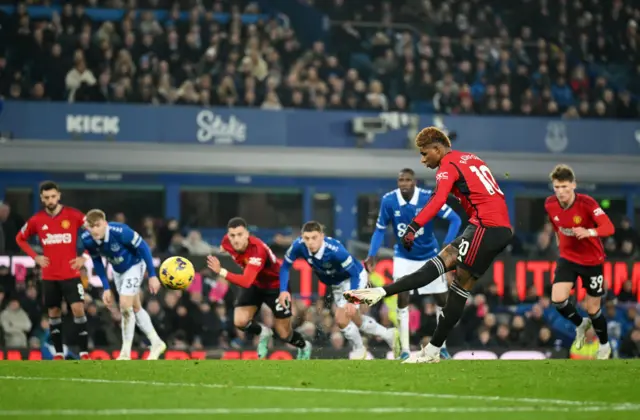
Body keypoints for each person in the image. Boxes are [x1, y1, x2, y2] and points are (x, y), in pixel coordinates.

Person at [344, 127, 513, 363]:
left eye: (425, 154)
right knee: (450, 277)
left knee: (447, 276)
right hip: (492, 226)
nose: (423, 160)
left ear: (437, 148)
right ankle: (431, 347)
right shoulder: (471, 158)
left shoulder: (447, 166)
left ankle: (384, 297)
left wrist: (413, 226)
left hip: (486, 226)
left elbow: (438, 200)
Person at [366, 168, 461, 360]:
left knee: (442, 300)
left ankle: (441, 346)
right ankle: (405, 350)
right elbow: (379, 230)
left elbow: (455, 219)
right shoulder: (389, 200)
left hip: (430, 255)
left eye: (408, 180)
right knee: (402, 298)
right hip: (403, 256)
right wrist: (372, 254)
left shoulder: (428, 198)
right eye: (401, 180)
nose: (404, 183)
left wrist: (447, 245)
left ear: (414, 182)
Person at [279, 221, 397, 359]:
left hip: (354, 278)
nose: (310, 242)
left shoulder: (335, 251)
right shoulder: (298, 246)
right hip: (336, 284)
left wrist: (352, 300)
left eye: (314, 237)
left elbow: (354, 274)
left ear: (322, 236)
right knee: (356, 319)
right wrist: (283, 290)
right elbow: (285, 266)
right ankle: (388, 334)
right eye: (306, 238)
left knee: (341, 318)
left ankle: (360, 350)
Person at [206, 217, 312, 360]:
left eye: (240, 235)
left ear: (247, 234)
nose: (236, 239)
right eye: (232, 235)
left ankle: (304, 345)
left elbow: (245, 281)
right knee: (240, 322)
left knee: (284, 333)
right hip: (256, 284)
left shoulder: (257, 250)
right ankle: (263, 332)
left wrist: (221, 271)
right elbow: (224, 247)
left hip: (276, 286)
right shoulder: (227, 241)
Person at [544, 164, 614, 360]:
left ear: (573, 185)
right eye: (557, 187)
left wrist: (589, 231)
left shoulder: (587, 203)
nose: (560, 191)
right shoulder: (550, 204)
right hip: (568, 258)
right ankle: (580, 324)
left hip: (592, 260)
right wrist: (561, 246)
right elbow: (556, 226)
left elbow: (609, 227)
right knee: (558, 298)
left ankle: (604, 345)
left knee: (593, 308)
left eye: (565, 186)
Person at [15, 181, 90, 360]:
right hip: (49, 275)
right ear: (42, 198)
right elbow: (20, 238)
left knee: (78, 309)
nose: (50, 200)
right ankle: (58, 353)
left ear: (59, 195)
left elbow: (94, 231)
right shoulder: (37, 220)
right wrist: (36, 257)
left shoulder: (73, 214)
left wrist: (84, 257)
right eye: (47, 197)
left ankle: (84, 352)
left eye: (53, 196)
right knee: (53, 313)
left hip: (71, 273)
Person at [81, 209, 166, 360]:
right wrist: (106, 288)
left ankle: (125, 352)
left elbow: (144, 247)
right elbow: (97, 262)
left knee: (124, 305)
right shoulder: (87, 239)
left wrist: (152, 275)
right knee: (135, 307)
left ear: (105, 224)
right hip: (117, 271)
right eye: (91, 226)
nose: (95, 230)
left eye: (98, 225)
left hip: (134, 264)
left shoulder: (121, 231)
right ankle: (156, 342)